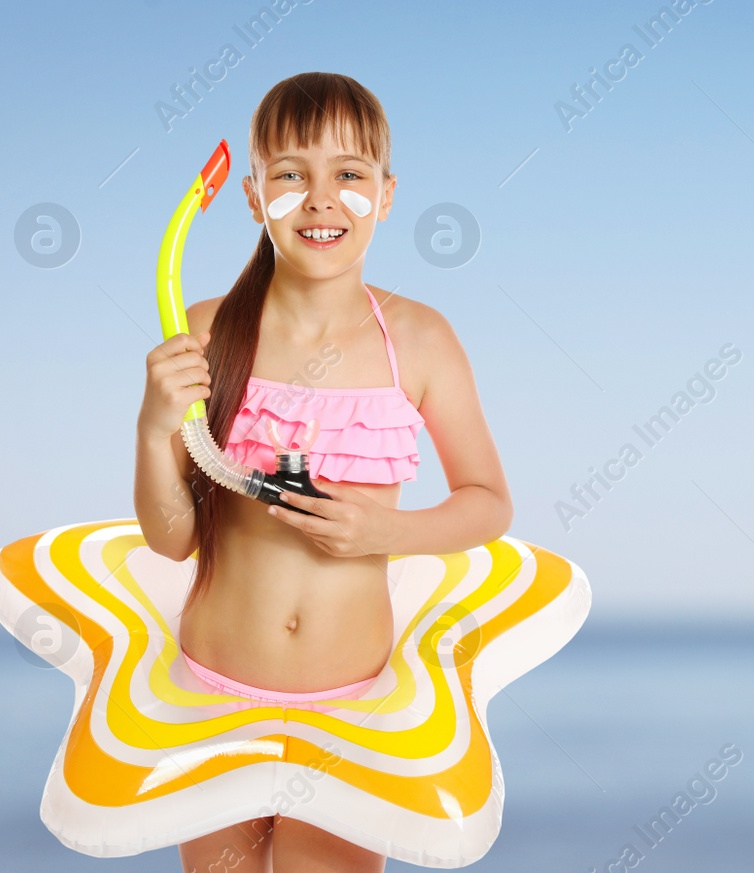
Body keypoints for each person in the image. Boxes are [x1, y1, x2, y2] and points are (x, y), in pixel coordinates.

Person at [133, 71, 512, 872]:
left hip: (350, 707)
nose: (320, 199)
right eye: (290, 175)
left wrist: (390, 529)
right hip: (215, 693)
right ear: (250, 193)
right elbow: (170, 539)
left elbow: (489, 502)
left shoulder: (421, 339)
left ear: (386, 191)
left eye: (349, 174)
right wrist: (153, 422)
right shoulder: (203, 330)